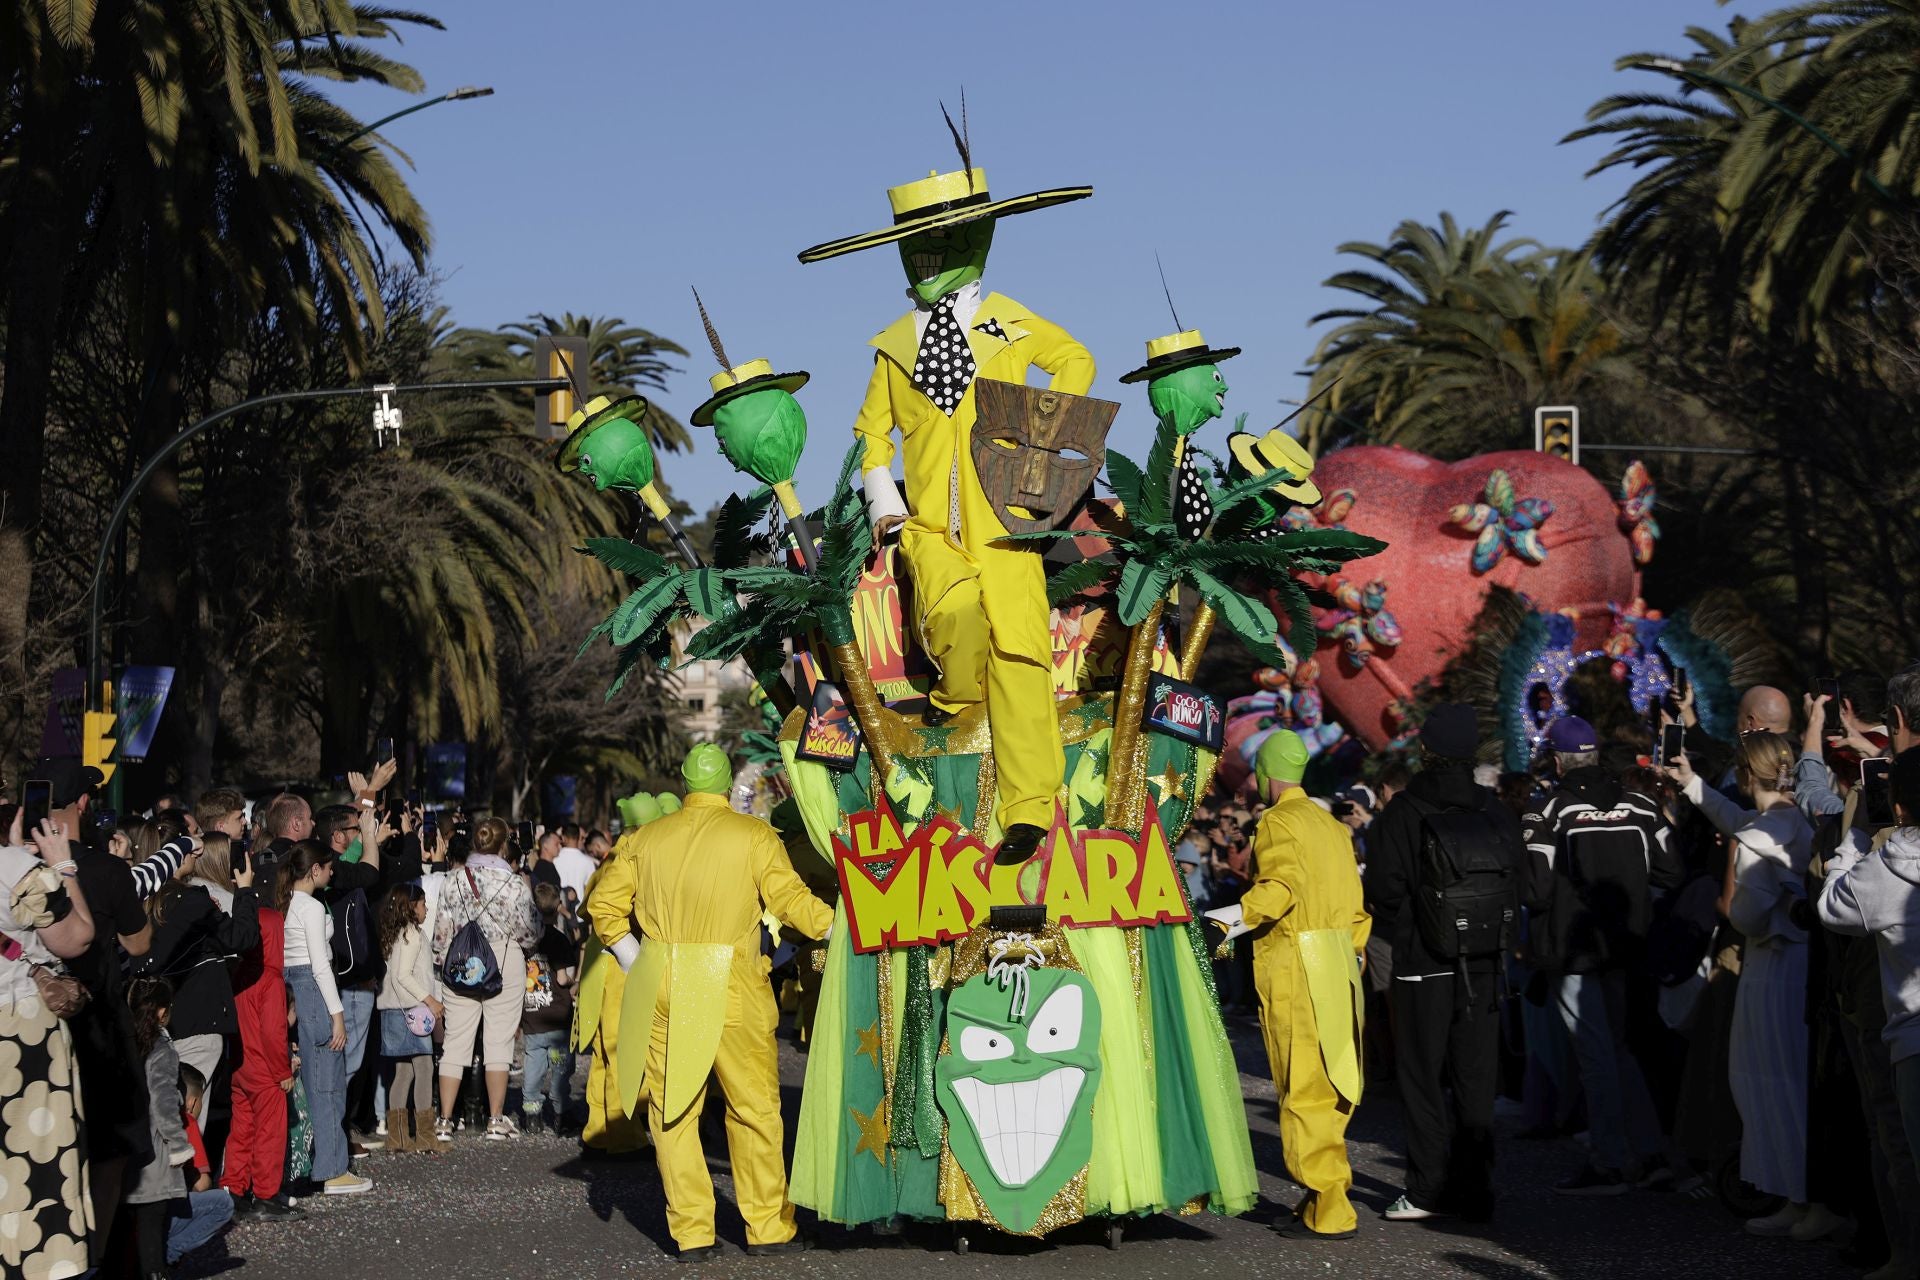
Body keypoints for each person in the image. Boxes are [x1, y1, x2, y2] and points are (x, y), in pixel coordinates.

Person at [804, 154, 1095, 863]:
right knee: (958, 620)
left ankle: (1028, 809)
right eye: (913, 240)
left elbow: (1076, 361)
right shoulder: (894, 347)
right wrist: (884, 509)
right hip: (928, 528)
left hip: (1006, 527)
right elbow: (871, 434)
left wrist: (1039, 449)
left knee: (1022, 650)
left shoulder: (1008, 321)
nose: (923, 253)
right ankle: (960, 714)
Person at [599, 743, 832, 1260]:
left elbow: (604, 907)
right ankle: (767, 1227)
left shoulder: (645, 839)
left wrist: (638, 960)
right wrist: (835, 925)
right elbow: (789, 901)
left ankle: (692, 1234)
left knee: (673, 1112)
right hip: (731, 983)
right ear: (727, 786)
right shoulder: (752, 835)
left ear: (684, 782)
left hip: (663, 979)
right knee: (753, 1109)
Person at [1365, 704, 1527, 1222]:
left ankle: (1427, 1187)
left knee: (1422, 1077)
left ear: (1426, 751)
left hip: (1421, 958)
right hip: (1484, 960)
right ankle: (1475, 1188)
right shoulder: (1494, 809)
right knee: (1476, 1078)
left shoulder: (1404, 810)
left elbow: (1384, 891)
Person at [1208, 731, 1370, 1238]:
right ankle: (1322, 1197)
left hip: (1299, 965)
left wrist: (1229, 919)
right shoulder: (1331, 825)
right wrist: (1355, 949)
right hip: (1341, 961)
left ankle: (1329, 1206)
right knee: (1334, 1082)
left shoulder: (1278, 822)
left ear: (1265, 772)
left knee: (1303, 1089)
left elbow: (1278, 888)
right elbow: (1355, 903)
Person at [1670, 731, 1827, 1235]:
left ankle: (1801, 1196)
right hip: (1800, 968)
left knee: (1767, 1082)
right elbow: (1739, 821)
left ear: (1744, 774)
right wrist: (1693, 784)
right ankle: (1801, 1196)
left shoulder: (1756, 840)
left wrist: (1733, 875)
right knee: (1792, 1081)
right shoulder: (1796, 823)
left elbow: (1747, 917)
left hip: (1771, 970)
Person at [1527, 716, 1684, 1195]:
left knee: (1596, 1056)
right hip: (1629, 949)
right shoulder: (1640, 804)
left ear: (1557, 760)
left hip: (1575, 951)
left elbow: (1534, 889)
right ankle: (1649, 1152)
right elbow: (1671, 872)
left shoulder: (1549, 810)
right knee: (1619, 1050)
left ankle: (1613, 1161)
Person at [1819, 745, 1920, 1280]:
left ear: (1899, 807)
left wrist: (1853, 841)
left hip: (1911, 1038)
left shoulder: (1889, 869)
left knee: (1906, 1155)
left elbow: (1833, 905)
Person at [1, 805, 97, 1277]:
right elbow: (76, 938)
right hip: (18, 1033)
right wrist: (61, 864)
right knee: (33, 1160)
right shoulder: (17, 871)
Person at [138, 830, 261, 1123]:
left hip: (155, 1020)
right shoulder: (192, 900)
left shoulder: (142, 900)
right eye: (188, 847)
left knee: (161, 1109)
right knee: (190, 1116)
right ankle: (195, 1169)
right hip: (198, 1019)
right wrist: (244, 891)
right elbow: (241, 937)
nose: (195, 853)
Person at [431, 817, 541, 1142]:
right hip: (504, 959)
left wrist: (442, 966)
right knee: (499, 1042)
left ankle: (444, 1120)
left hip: (462, 960)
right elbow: (531, 931)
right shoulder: (515, 884)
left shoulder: (452, 880)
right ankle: (495, 1118)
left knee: (455, 1043)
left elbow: (440, 933)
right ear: (504, 844)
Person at [279, 840, 372, 1195]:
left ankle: (314, 1161)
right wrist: (337, 1014)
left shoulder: (283, 900)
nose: (332, 873)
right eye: (328, 867)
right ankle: (332, 1169)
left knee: (309, 1080)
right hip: (315, 991)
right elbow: (320, 965)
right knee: (327, 1083)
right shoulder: (312, 907)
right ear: (314, 870)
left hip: (292, 988)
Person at [578, 792, 662, 1157]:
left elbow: (585, 909)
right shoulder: (637, 857)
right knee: (622, 1047)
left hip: (599, 963)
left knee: (602, 1050)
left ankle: (598, 1129)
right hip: (621, 963)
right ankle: (624, 1136)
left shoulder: (609, 859)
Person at [225, 866, 299, 1219]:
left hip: (240, 1067)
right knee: (270, 1132)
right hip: (265, 1070)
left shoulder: (242, 974)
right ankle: (266, 1195)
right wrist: (282, 1069)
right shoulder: (270, 981)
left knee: (241, 1131)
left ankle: (235, 1189)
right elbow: (274, 1033)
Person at [124, 975, 196, 1278]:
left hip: (126, 1147)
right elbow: (165, 1100)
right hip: (155, 1150)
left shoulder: (124, 1038)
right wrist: (179, 1145)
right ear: (163, 1011)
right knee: (153, 1225)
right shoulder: (162, 1047)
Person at [376, 882, 444, 1153]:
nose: (426, 908)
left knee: (403, 1072)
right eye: (423, 903)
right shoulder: (412, 935)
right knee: (425, 1068)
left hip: (393, 1009)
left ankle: (398, 1138)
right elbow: (402, 975)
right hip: (412, 1011)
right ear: (411, 906)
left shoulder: (394, 934)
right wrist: (431, 1001)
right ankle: (426, 1137)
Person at [521, 881, 578, 1135]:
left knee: (533, 1066)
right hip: (557, 1020)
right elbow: (564, 978)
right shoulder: (558, 939)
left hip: (533, 1018)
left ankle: (531, 1113)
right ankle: (560, 1112)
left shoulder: (526, 939)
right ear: (558, 908)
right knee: (559, 1067)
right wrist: (575, 982)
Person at [165, 1063, 235, 1266]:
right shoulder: (187, 1121)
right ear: (193, 1102)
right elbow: (202, 1184)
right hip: (169, 1210)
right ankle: (170, 1251)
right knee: (223, 1203)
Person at [554, 824, 596, 906]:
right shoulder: (588, 862)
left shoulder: (555, 859)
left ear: (563, 837)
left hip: (560, 911)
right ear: (578, 837)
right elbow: (591, 891)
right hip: (580, 913)